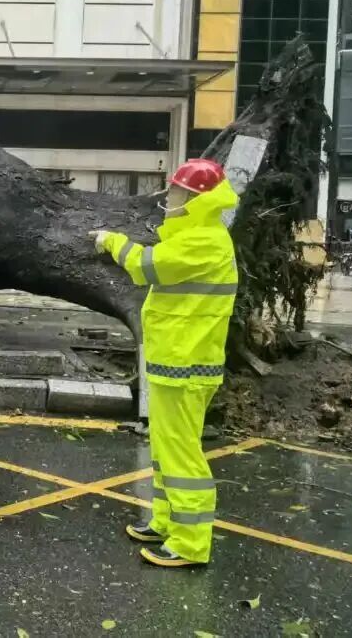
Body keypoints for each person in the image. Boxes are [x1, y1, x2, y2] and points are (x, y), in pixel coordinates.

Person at [89, 158, 238, 569]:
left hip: (186, 365)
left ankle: (190, 543)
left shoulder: (203, 241)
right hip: (175, 361)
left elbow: (146, 265)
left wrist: (111, 241)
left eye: (175, 192)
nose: (168, 199)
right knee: (165, 449)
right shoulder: (195, 236)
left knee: (182, 456)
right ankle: (167, 521)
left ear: (195, 199)